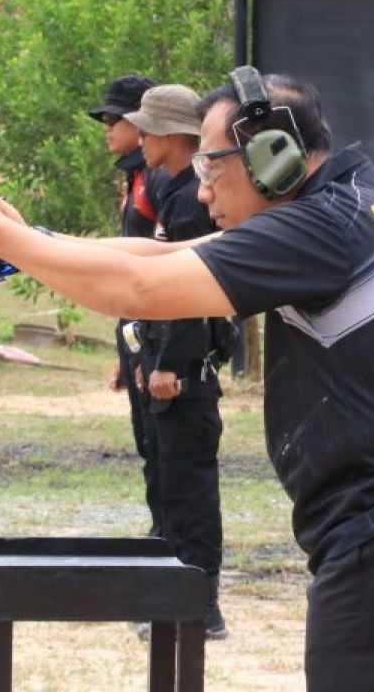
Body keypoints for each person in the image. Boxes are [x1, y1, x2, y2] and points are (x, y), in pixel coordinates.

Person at [0, 71, 374, 691]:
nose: (204, 190)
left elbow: (141, 291)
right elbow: (166, 258)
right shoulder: (358, 202)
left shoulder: (324, 227)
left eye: (213, 166)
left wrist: (6, 241)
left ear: (274, 154)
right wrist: (27, 240)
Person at [125, 84, 228, 639]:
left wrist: (172, 364)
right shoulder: (174, 189)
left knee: (187, 489)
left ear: (171, 134)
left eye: (145, 129)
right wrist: (148, 354)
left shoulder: (193, 197)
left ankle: (201, 605)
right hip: (168, 363)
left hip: (186, 375)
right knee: (167, 485)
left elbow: (190, 292)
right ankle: (172, 595)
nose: (138, 138)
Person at [88, 74, 166, 534]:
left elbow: (159, 270)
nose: (107, 127)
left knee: (164, 455)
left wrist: (158, 353)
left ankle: (168, 546)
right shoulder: (137, 176)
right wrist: (125, 350)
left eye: (115, 118)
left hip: (159, 336)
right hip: (139, 333)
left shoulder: (158, 180)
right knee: (148, 449)